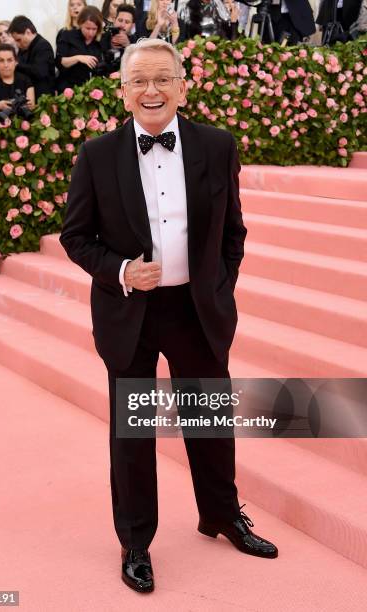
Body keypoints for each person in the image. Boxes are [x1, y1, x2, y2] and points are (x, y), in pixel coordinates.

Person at [59, 37, 278, 595]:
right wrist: (121, 270)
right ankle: (135, 541)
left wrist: (218, 286)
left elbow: (233, 231)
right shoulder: (97, 156)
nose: (151, 90)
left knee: (210, 421)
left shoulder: (218, 146)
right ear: (124, 90)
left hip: (196, 310)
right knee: (133, 434)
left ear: (182, 85)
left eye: (163, 79)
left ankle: (222, 514)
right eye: (140, 81)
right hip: (129, 312)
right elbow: (76, 237)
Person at [0, 44, 35, 121]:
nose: (6, 65)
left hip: (21, 124)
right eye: (1, 60)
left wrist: (28, 106)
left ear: (16, 62)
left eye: (9, 60)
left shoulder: (25, 80)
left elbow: (32, 108)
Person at [56, 6, 104, 91]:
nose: (91, 33)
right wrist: (78, 58)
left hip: (90, 89)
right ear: (80, 23)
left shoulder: (100, 41)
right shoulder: (67, 35)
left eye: (94, 29)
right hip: (67, 88)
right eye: (87, 28)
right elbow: (60, 62)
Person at [7, 15, 55, 99]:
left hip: (43, 100)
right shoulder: (24, 48)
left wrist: (17, 65)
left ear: (28, 32)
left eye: (19, 40)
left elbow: (40, 72)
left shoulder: (43, 46)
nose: (17, 44)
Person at [101, 4, 137, 72]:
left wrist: (128, 46)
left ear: (132, 26)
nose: (122, 25)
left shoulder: (136, 42)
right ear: (114, 20)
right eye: (120, 20)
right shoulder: (102, 38)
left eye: (127, 22)